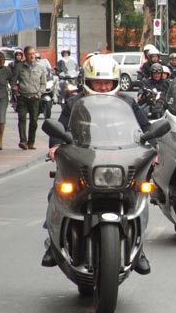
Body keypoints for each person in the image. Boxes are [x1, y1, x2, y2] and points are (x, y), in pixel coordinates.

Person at [42, 54, 152, 274]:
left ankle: (138, 250)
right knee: (58, 192)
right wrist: (55, 146)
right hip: (84, 158)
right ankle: (53, 242)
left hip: (121, 159)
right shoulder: (74, 103)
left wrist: (153, 147)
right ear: (88, 83)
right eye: (97, 83)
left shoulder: (128, 103)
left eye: (107, 83)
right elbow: (60, 128)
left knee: (140, 196)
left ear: (115, 83)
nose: (102, 87)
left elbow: (147, 129)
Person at [11, 46, 47, 150]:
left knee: (34, 121)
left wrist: (39, 93)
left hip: (35, 97)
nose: (32, 56)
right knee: (22, 118)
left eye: (33, 53)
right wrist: (16, 92)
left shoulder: (41, 67)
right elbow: (13, 81)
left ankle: (31, 142)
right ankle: (23, 141)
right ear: (25, 55)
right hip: (22, 96)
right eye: (29, 54)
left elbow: (43, 83)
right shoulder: (19, 67)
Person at [0, 51, 13, 149]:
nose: (0, 61)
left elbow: (13, 81)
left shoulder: (7, 70)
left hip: (2, 97)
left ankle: (1, 138)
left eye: (2, 60)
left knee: (1, 118)